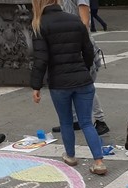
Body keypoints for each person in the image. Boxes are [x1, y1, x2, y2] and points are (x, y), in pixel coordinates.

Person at [31, 0, 107, 175]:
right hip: (82, 79)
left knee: (66, 121)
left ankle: (71, 156)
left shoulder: (39, 24)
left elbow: (41, 59)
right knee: (87, 122)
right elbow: (88, 50)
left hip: (59, 82)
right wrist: (85, 69)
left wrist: (36, 86)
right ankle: (99, 161)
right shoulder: (74, 20)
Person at [51, 0, 109, 136]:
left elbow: (85, 22)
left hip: (81, 47)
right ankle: (74, 120)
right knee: (72, 83)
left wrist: (76, 44)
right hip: (68, 46)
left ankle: (100, 121)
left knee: (87, 84)